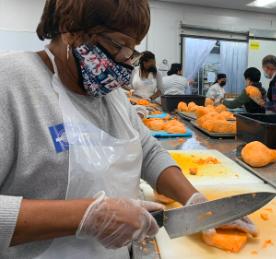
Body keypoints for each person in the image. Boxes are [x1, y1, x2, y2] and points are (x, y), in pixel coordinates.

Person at [0, 1, 256, 258]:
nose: (125, 59)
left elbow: (148, 151)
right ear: (70, 29)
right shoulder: (11, 82)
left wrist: (196, 203)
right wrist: (87, 217)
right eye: (118, 45)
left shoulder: (110, 94)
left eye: (132, 50)